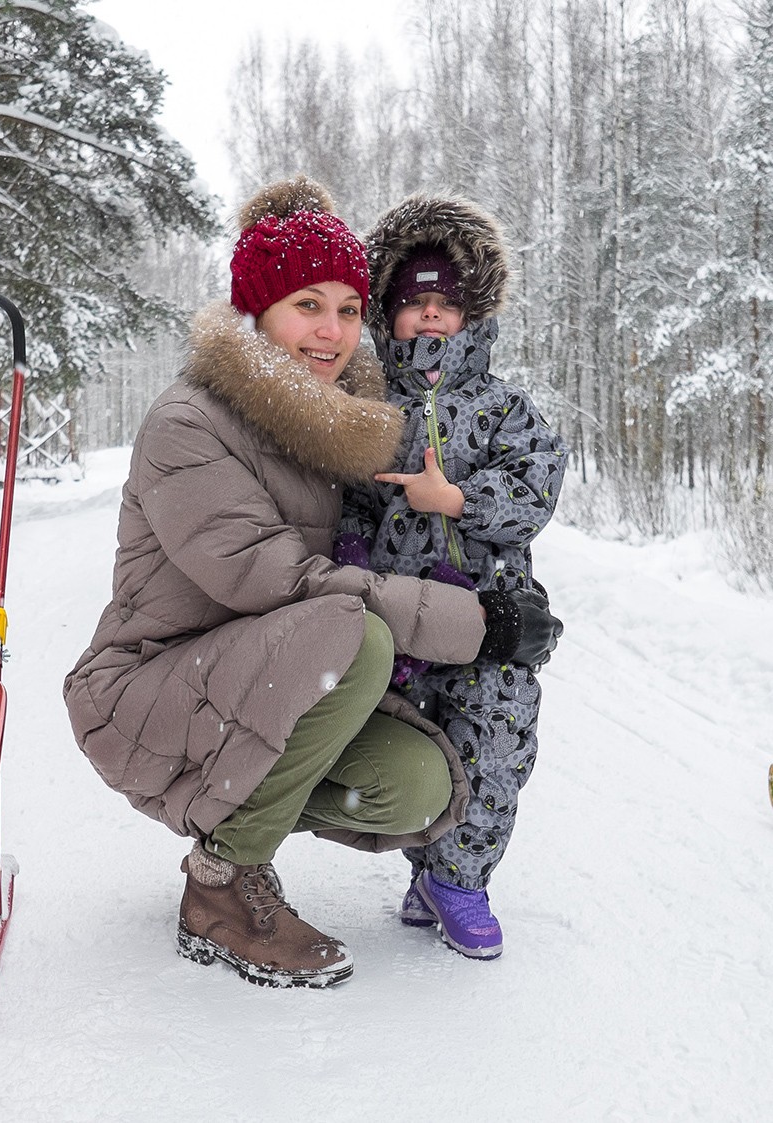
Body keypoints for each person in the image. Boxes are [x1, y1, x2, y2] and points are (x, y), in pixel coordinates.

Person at [63, 176, 557, 989]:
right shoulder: (188, 424)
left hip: (250, 689)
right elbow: (292, 585)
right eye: (307, 305)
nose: (332, 332)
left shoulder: (327, 426)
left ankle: (245, 816)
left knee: (414, 785)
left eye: (350, 310)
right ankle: (222, 883)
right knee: (348, 634)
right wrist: (478, 624)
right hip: (148, 695)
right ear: (258, 312)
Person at [335, 193, 568, 960]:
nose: (430, 318)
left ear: (471, 318)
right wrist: (353, 557)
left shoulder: (503, 409)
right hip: (406, 622)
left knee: (496, 739)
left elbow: (536, 489)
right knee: (425, 745)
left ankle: (462, 880)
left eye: (445, 304)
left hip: (492, 618)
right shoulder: (373, 411)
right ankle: (430, 868)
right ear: (388, 319)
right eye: (413, 305)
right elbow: (353, 501)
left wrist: (458, 500)